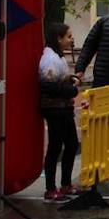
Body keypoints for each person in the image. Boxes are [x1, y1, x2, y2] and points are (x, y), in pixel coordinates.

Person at [39, 23, 81, 203]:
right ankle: (50, 188)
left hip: (64, 108)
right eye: (68, 36)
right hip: (54, 108)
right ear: (59, 38)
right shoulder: (49, 59)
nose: (71, 40)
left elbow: (60, 79)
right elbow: (48, 86)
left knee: (71, 144)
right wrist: (70, 91)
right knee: (55, 147)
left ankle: (66, 183)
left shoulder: (59, 57)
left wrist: (70, 79)